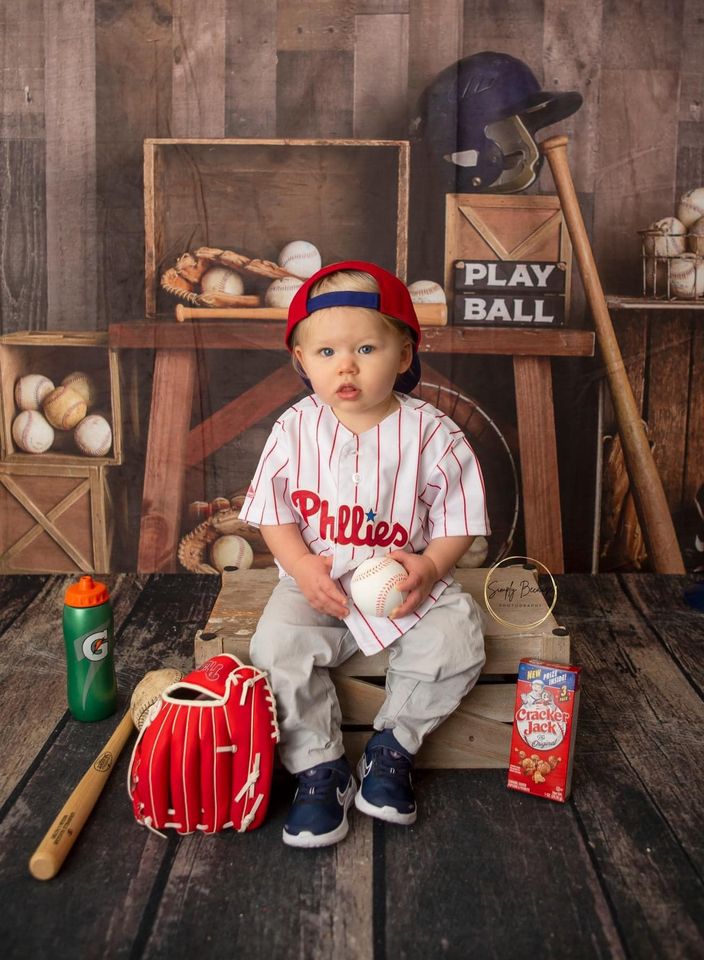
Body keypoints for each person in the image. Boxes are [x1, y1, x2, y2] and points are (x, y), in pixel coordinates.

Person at [240, 260, 490, 848]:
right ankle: (318, 768)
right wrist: (300, 567)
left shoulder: (434, 432)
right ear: (301, 361)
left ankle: (391, 748)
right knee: (274, 646)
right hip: (317, 581)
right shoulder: (294, 429)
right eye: (325, 352)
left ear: (404, 354)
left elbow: (457, 522)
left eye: (367, 347)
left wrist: (430, 568)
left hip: (403, 579)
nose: (345, 365)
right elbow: (273, 514)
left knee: (459, 637)